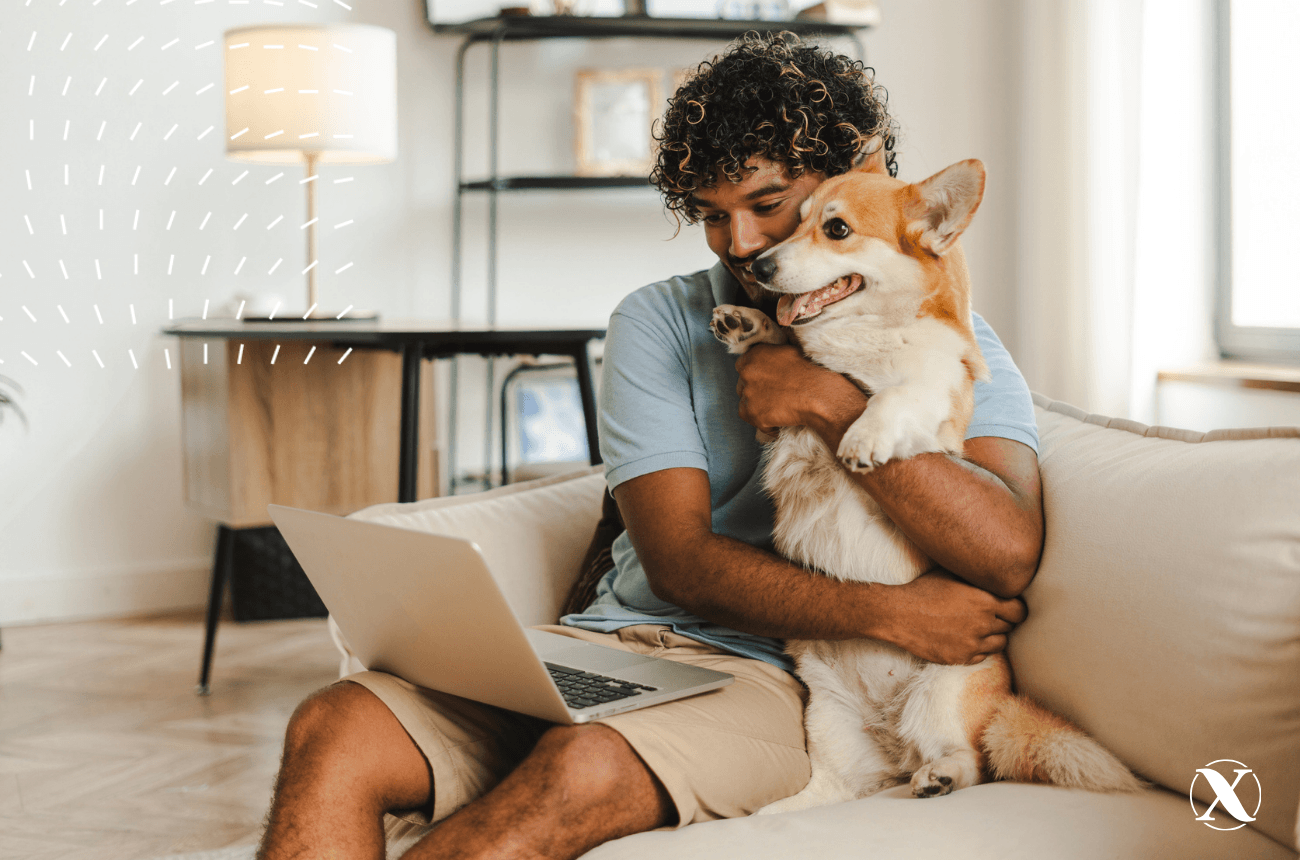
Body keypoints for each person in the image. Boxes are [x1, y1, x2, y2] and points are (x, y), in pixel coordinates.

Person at [256, 31, 1043, 860]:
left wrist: (824, 402)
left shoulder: (951, 344)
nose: (742, 245)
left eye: (768, 203)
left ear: (852, 176)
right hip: (604, 645)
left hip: (770, 677)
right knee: (335, 723)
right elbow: (678, 563)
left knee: (582, 767)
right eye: (712, 216)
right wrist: (891, 613)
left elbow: (1007, 552)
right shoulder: (659, 320)